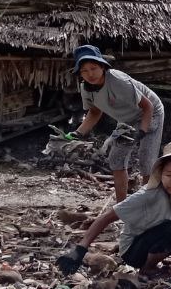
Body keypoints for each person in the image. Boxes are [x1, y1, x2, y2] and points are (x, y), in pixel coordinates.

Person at [56, 140, 171, 276]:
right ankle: (148, 268)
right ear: (160, 173)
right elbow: (107, 217)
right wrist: (81, 249)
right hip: (135, 250)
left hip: (162, 237)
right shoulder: (147, 194)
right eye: (168, 175)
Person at [68, 45, 165, 204]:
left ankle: (148, 204)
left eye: (93, 68)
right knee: (116, 159)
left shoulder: (118, 81)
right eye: (84, 71)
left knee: (146, 159)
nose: (90, 74)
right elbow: (94, 112)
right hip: (127, 120)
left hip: (151, 113)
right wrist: (78, 133)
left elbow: (148, 106)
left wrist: (141, 131)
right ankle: (122, 206)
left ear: (102, 67)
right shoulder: (86, 89)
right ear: (80, 74)